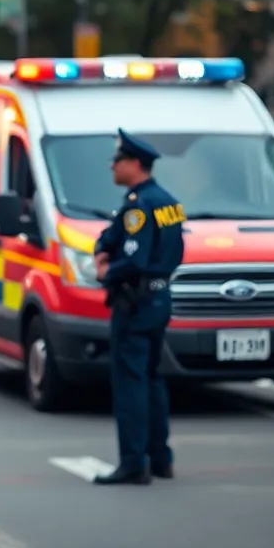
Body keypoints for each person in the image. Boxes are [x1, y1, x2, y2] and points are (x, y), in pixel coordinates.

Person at [93, 129, 185, 486]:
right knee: (152, 378)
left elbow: (133, 259)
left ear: (134, 164)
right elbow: (112, 236)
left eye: (117, 161)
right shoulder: (168, 202)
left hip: (135, 301)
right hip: (160, 298)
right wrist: (104, 245)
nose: (112, 166)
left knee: (130, 382)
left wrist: (106, 270)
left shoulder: (138, 206)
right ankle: (161, 458)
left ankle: (133, 462)